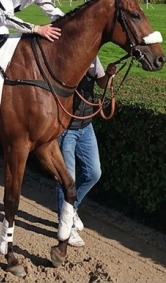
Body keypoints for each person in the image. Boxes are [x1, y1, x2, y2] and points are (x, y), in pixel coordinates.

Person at [56, 57, 115, 247]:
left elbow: (102, 83)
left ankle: (72, 208)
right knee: (67, 180)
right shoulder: (65, 55)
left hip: (86, 126)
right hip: (66, 128)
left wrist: (109, 75)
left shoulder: (92, 56)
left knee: (93, 173)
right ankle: (67, 225)